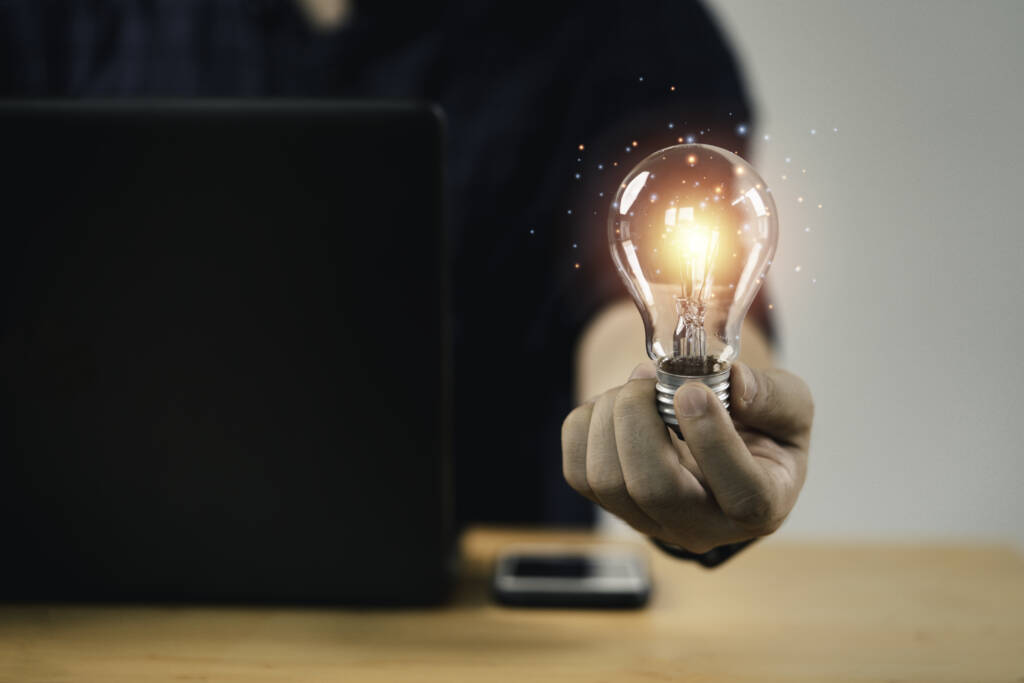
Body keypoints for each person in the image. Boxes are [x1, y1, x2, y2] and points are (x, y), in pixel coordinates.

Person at [0, 0, 812, 564]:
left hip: (476, 637)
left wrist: (686, 441)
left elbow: (629, 309)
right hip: (85, 613)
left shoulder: (623, 29)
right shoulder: (53, 17)